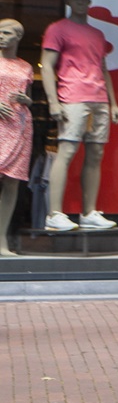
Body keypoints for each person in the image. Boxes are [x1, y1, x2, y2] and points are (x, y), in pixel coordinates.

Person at [41, 0, 118, 232]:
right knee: (66, 151)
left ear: (89, 2)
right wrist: (53, 101)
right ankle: (54, 213)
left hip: (98, 98)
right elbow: (46, 65)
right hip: (72, 95)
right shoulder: (57, 29)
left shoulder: (97, 34)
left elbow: (103, 69)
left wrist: (114, 102)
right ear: (67, 1)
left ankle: (89, 212)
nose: (80, 2)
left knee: (96, 153)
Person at [0, 18, 33, 255]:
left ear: (18, 36)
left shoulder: (26, 67)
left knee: (11, 184)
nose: (1, 36)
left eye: (7, 32)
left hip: (19, 125)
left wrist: (26, 101)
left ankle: (1, 239)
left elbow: (28, 96)